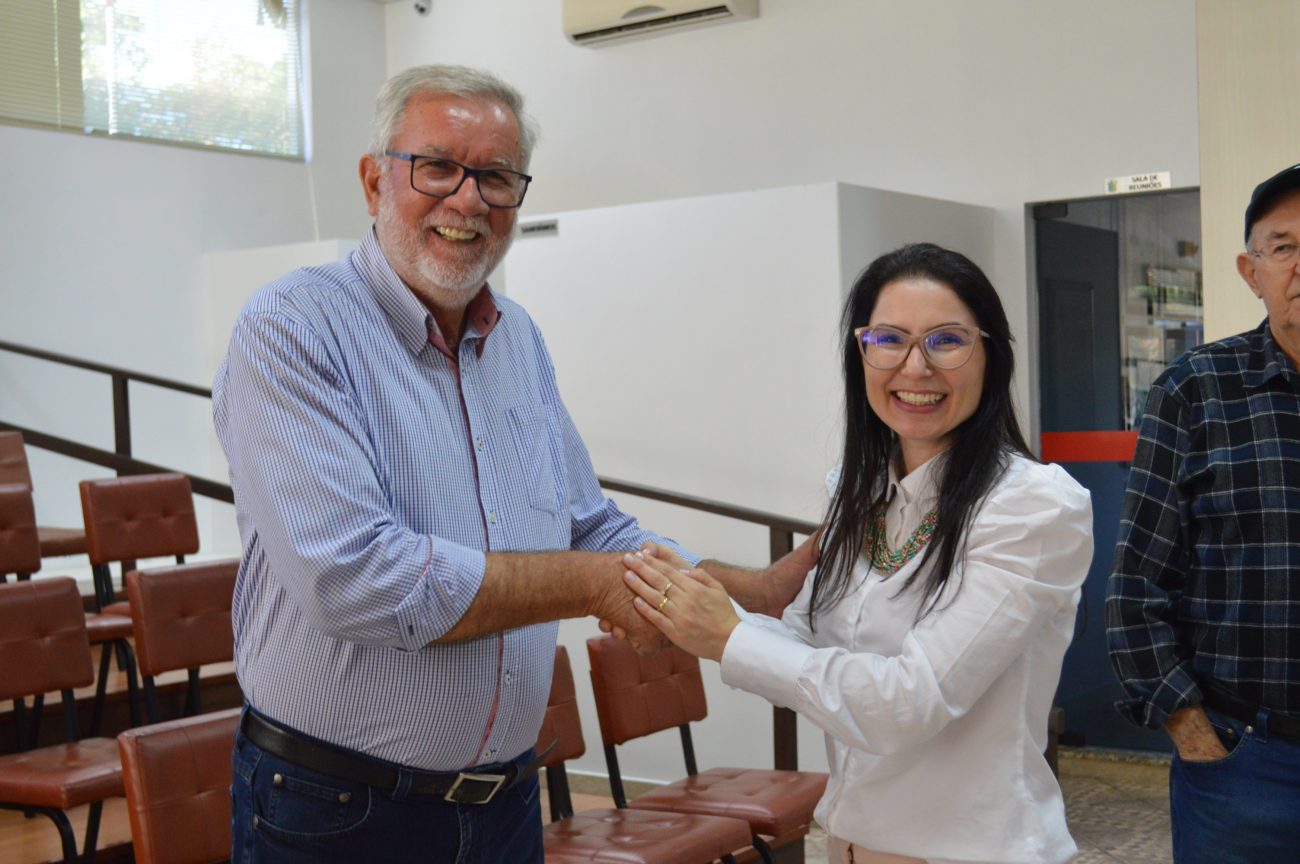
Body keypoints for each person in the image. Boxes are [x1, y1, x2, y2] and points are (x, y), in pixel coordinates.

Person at [213, 64, 814, 863]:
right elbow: (355, 580)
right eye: (438, 167)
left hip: (502, 803)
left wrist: (759, 592)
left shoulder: (517, 338)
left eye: (496, 176)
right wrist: (593, 585)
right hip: (338, 810)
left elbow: (590, 525)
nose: (468, 200)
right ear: (373, 181)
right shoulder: (292, 329)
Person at [623, 243, 1093, 864]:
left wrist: (728, 635)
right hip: (849, 844)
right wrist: (676, 612)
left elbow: (909, 702)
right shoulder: (857, 489)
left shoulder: (1032, 507)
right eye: (888, 340)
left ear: (992, 355)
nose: (915, 368)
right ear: (861, 353)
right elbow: (802, 648)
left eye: (946, 341)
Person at [1106, 163, 1300, 863]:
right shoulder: (1196, 392)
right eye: (1284, 247)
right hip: (1248, 767)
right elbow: (1136, 588)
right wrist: (1194, 733)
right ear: (1251, 272)